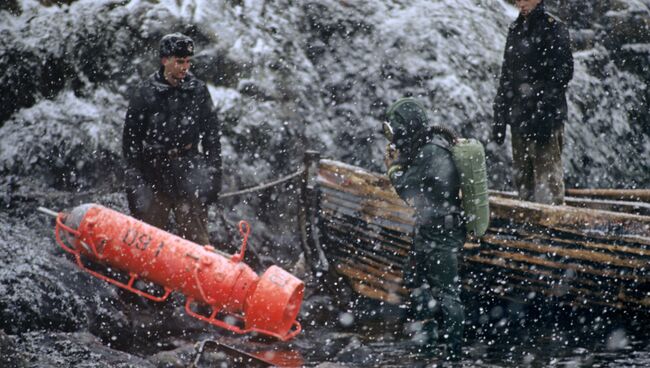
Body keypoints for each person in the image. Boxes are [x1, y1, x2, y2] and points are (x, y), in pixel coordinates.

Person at [383, 98, 466, 361]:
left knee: (447, 294)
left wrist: (393, 168)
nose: (393, 137)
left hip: (442, 233)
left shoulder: (430, 153)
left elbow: (407, 190)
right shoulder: (426, 149)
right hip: (430, 229)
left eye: (395, 130)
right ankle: (428, 342)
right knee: (415, 278)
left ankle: (453, 355)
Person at [122, 33, 221, 245]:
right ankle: (141, 277)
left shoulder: (198, 91)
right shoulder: (146, 92)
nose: (185, 67)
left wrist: (213, 171)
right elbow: (131, 139)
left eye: (187, 61)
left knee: (197, 241)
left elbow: (212, 135)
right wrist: (134, 174)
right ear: (165, 60)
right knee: (147, 238)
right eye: (179, 62)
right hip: (154, 172)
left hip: (189, 171)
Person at [492, 0, 573, 205]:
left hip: (546, 119)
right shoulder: (516, 28)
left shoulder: (553, 28)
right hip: (520, 118)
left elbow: (562, 74)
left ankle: (552, 232)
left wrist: (543, 110)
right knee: (523, 182)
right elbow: (507, 76)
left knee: (548, 184)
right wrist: (499, 114)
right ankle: (526, 230)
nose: (520, 3)